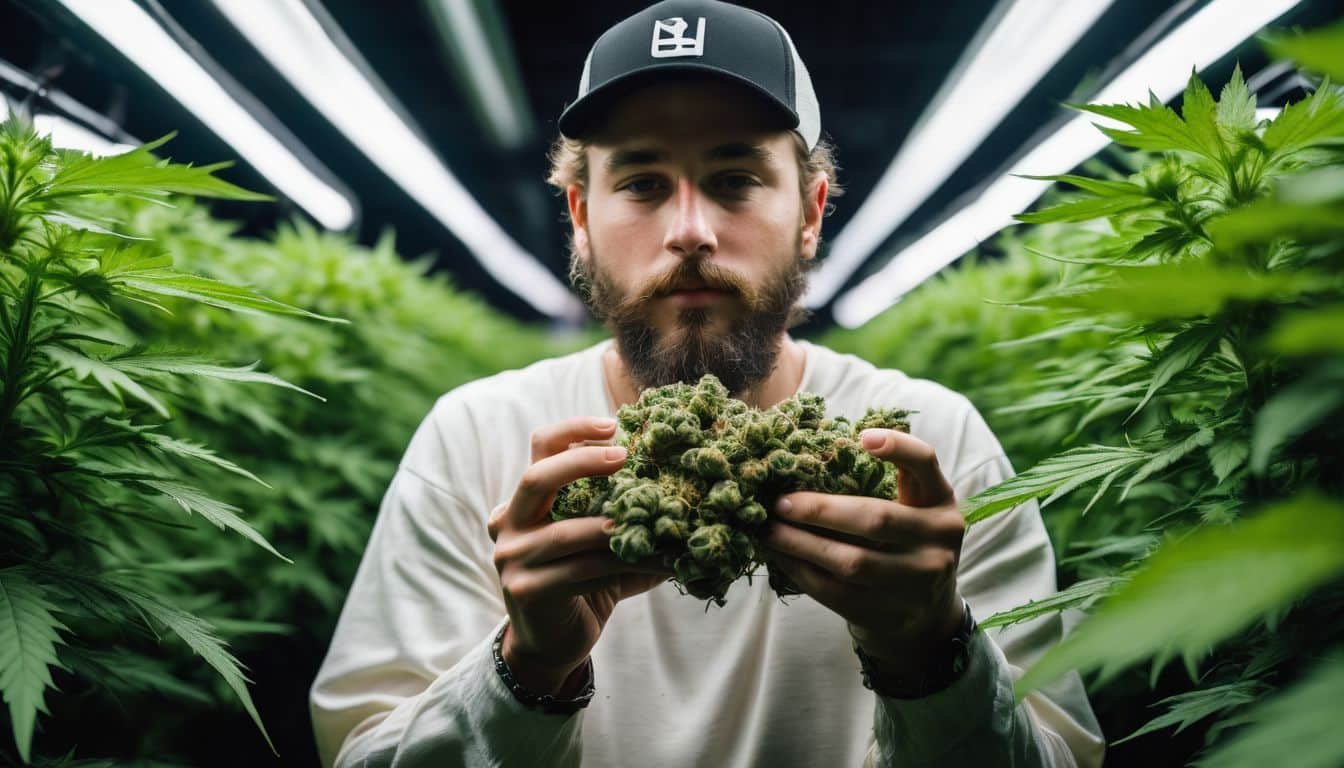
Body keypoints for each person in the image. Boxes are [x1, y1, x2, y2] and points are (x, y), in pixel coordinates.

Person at [309, 1, 1105, 765]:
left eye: (734, 180)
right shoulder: (477, 439)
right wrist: (523, 672)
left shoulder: (929, 448)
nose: (690, 230)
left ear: (811, 212)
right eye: (644, 184)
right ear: (581, 217)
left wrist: (933, 652)